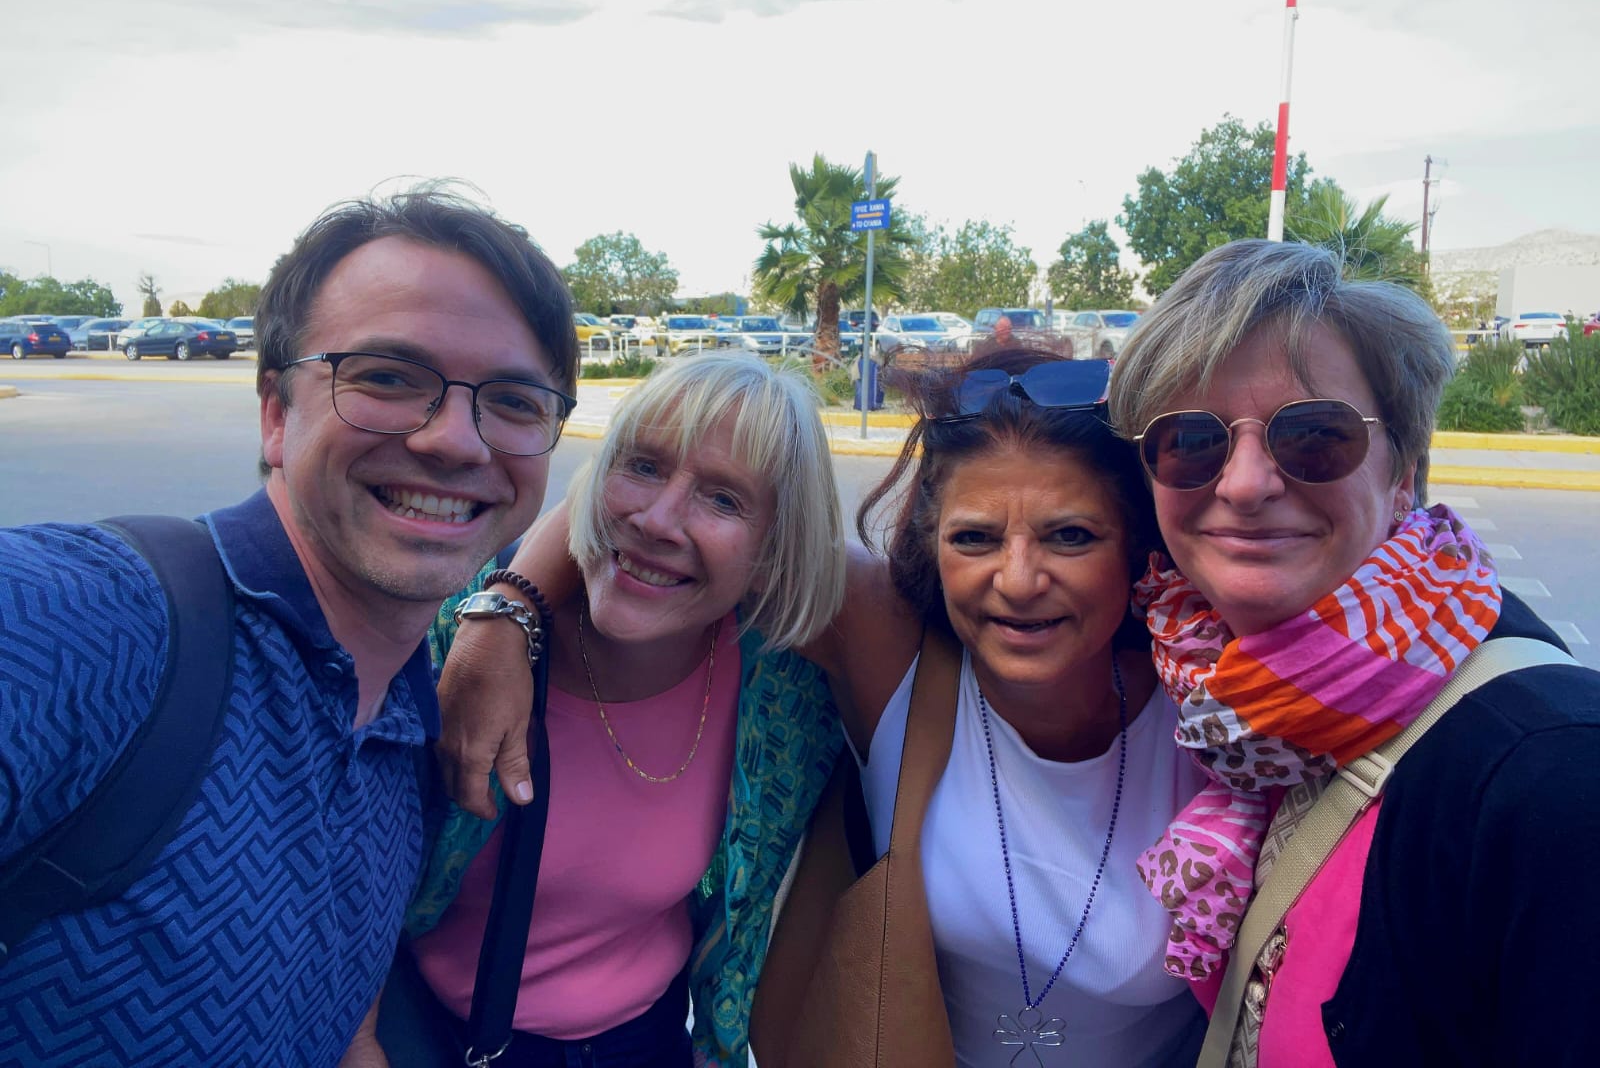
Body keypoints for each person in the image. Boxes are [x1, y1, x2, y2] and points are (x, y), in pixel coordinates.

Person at [438, 341, 1208, 1067]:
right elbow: (629, 520)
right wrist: (506, 610)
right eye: (973, 538)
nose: (1017, 580)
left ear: (1137, 541)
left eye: (1070, 535)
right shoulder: (900, 657)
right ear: (932, 545)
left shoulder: (1215, 705)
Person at [0, 187, 578, 1066]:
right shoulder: (89, 623)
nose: (457, 441)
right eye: (388, 378)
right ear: (276, 413)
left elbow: (348, 1031)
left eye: (515, 401)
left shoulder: (412, 725)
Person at [1108, 238, 1600, 1066]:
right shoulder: (1213, 703)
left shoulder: (1552, 778)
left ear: (1403, 470)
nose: (1245, 484)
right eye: (1192, 441)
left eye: (1313, 436)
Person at [370, 352, 847, 1067]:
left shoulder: (782, 691)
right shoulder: (455, 641)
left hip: (651, 1042)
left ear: (775, 550)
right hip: (438, 1039)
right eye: (643, 466)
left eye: (723, 500)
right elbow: (330, 873)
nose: (657, 520)